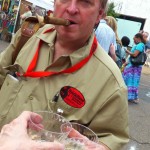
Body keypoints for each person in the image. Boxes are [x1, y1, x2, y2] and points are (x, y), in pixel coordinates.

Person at [0, 0, 129, 149]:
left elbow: (111, 140)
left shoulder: (111, 83)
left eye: (85, 2)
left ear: (100, 14)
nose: (72, 9)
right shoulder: (28, 33)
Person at [122, 33, 145, 104]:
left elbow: (135, 54)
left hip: (134, 67)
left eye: (134, 39)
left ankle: (132, 97)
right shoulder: (138, 45)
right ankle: (130, 97)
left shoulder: (140, 45)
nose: (133, 41)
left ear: (139, 38)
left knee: (131, 81)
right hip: (133, 66)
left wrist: (127, 51)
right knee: (130, 81)